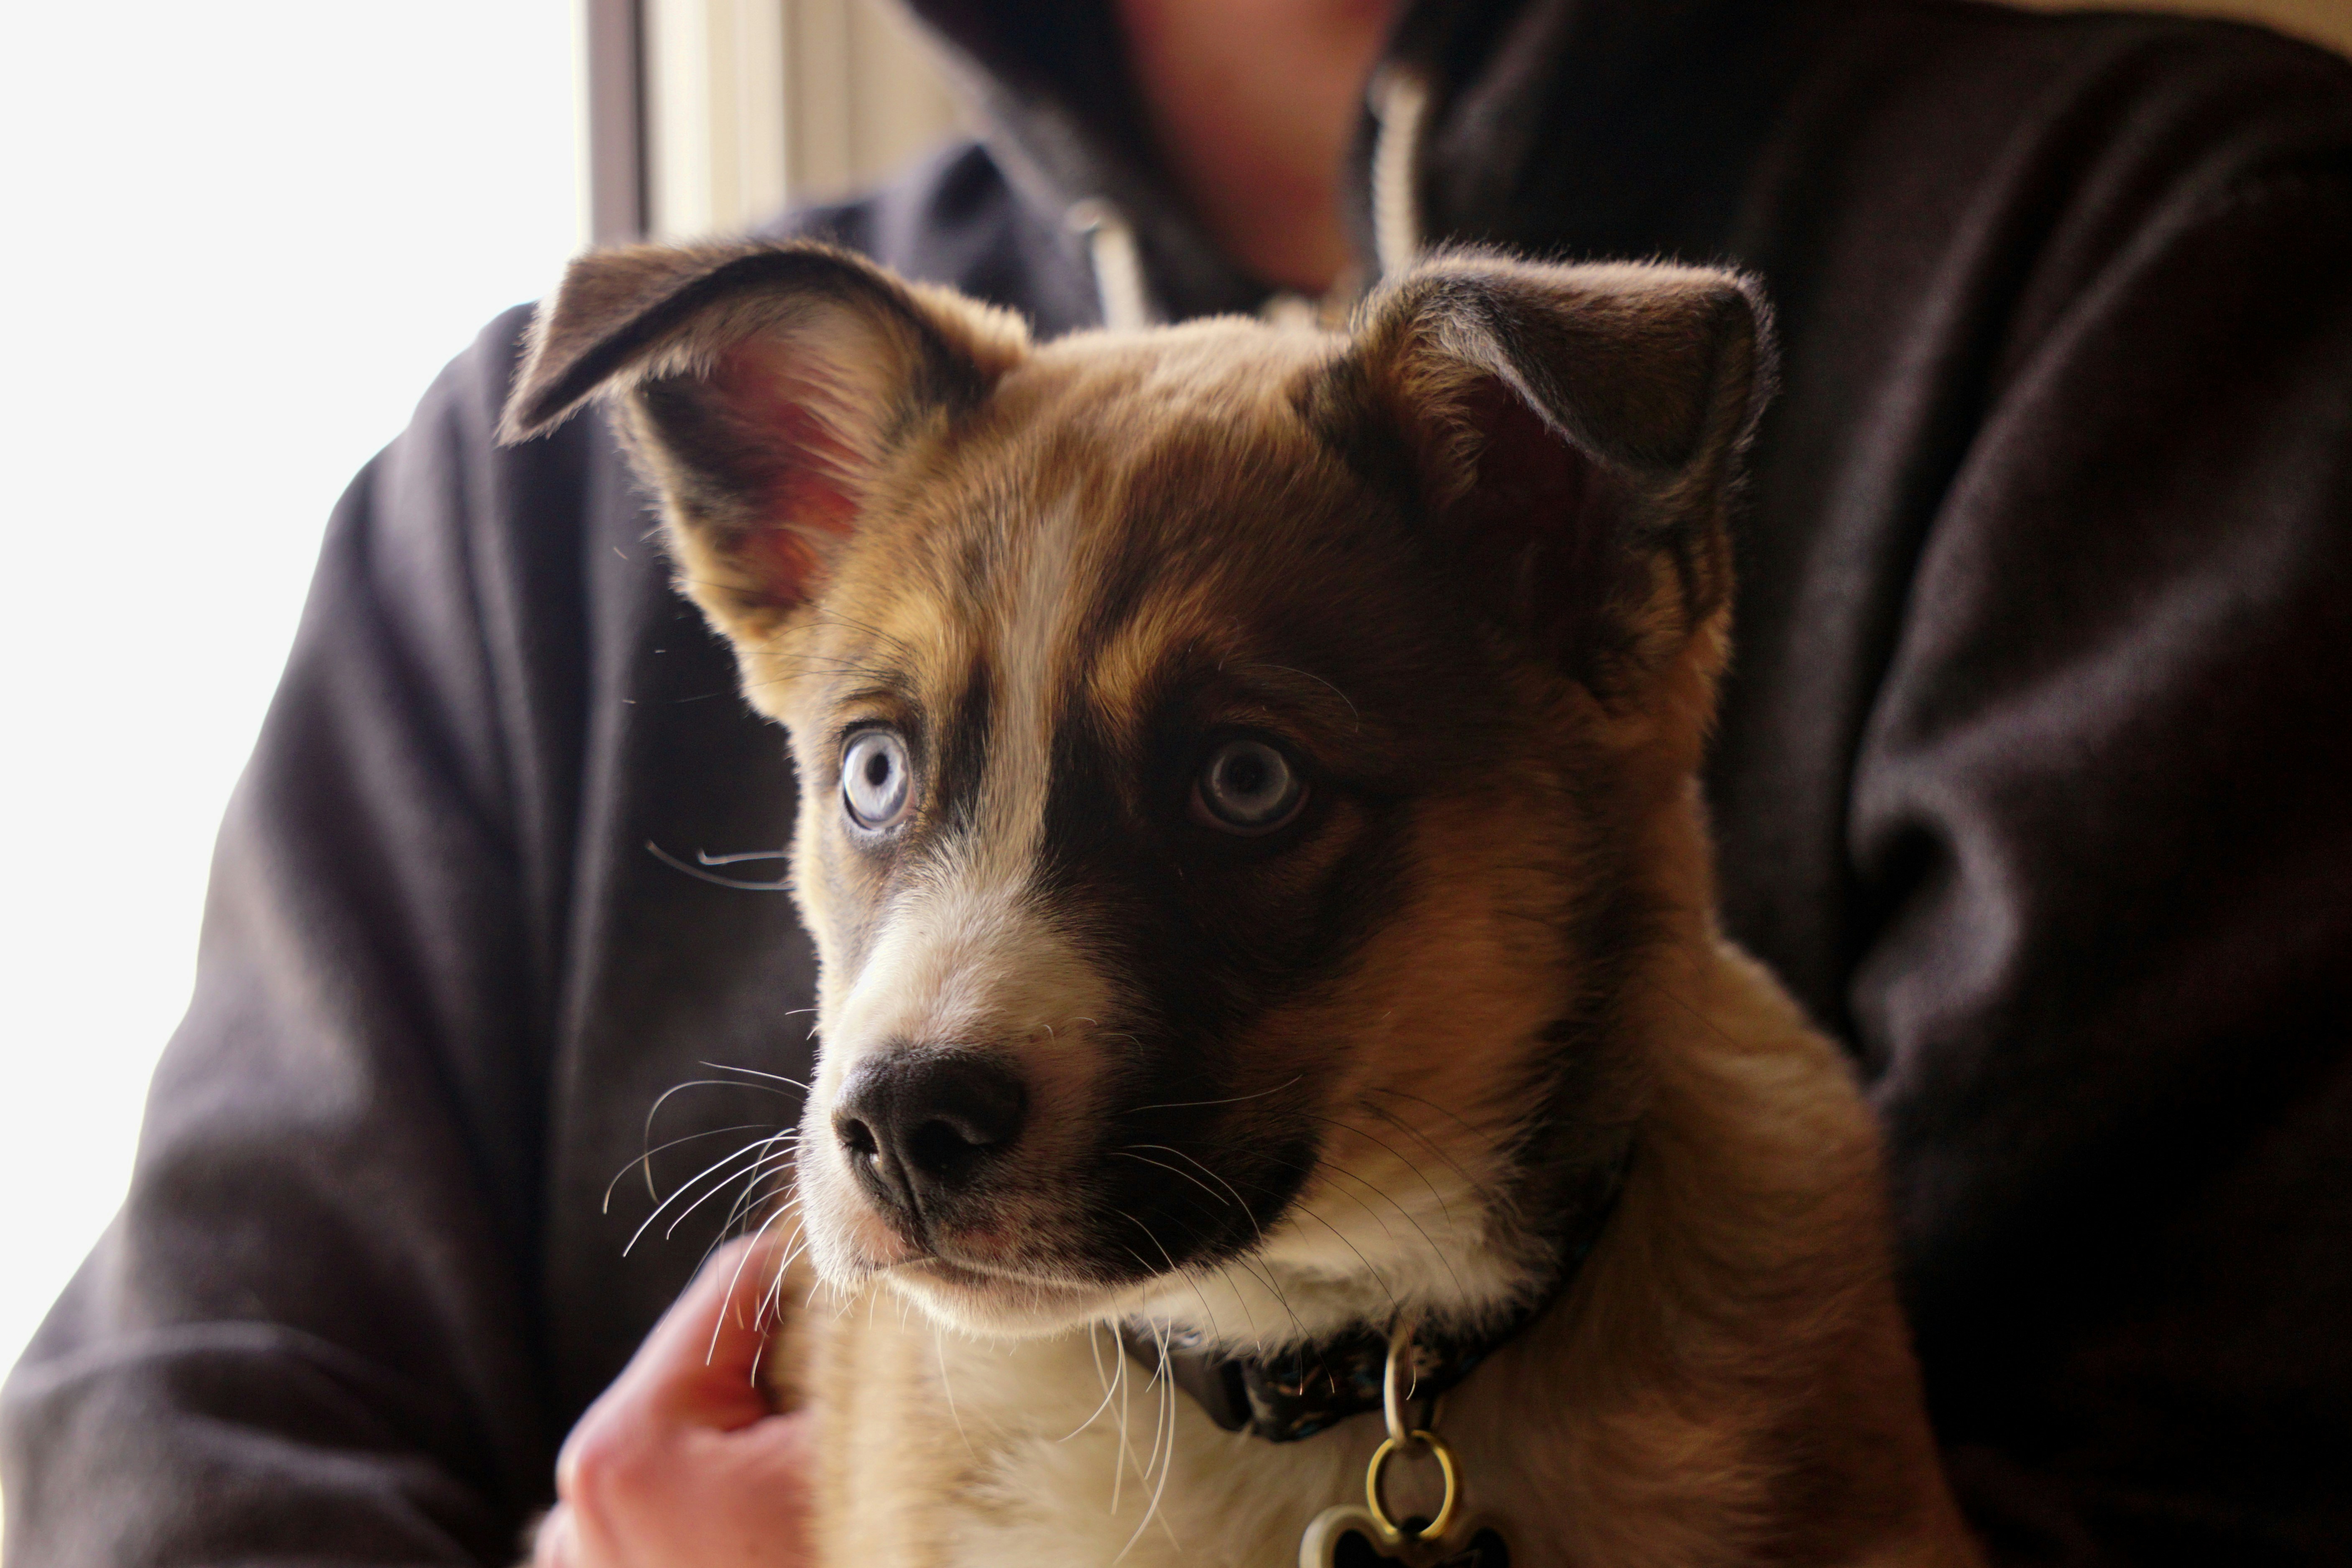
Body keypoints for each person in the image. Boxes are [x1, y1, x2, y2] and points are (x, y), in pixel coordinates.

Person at [5, 0, 2350, 1562]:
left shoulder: (2156, 264)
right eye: (885, 770)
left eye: (1241, 782)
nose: (934, 1029)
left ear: (1590, 589)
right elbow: (164, 1440)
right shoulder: (511, 509)